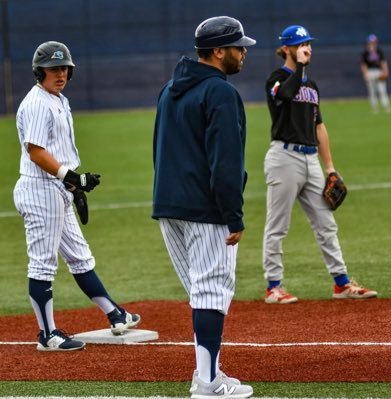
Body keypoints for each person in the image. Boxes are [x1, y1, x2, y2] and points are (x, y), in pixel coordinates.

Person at [13, 41, 140, 351]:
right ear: (39, 72)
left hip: (55, 190)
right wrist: (71, 177)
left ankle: (115, 314)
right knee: (42, 265)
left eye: (63, 69)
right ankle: (48, 335)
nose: (59, 74)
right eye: (52, 69)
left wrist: (73, 186)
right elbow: (36, 152)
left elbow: (56, 152)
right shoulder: (38, 103)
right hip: (40, 190)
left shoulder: (57, 99)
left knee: (80, 258)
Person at [152, 16, 255, 399]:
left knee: (201, 293)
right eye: (238, 46)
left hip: (169, 205)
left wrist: (165, 197)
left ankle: (205, 373)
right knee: (212, 291)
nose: (244, 52)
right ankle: (209, 383)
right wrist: (234, 214)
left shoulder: (168, 89)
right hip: (206, 208)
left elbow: (158, 151)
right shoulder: (220, 93)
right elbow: (226, 160)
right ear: (217, 51)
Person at [262, 25, 378, 304]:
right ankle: (273, 287)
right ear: (288, 49)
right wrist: (299, 68)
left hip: (310, 159)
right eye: (302, 44)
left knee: (326, 224)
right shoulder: (276, 79)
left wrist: (330, 168)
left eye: (309, 44)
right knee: (278, 225)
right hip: (284, 158)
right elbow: (286, 95)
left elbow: (320, 127)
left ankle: (341, 283)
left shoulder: (311, 86)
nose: (308, 48)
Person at [360, 34, 391, 113]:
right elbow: (363, 64)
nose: (372, 43)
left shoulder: (379, 51)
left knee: (382, 90)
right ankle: (375, 108)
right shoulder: (365, 53)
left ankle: (386, 107)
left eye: (374, 41)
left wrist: (385, 71)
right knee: (372, 91)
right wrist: (365, 74)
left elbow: (383, 62)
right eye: (371, 41)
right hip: (370, 72)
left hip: (379, 71)